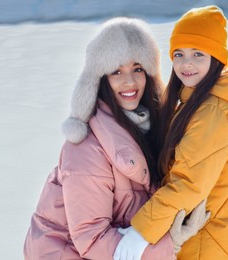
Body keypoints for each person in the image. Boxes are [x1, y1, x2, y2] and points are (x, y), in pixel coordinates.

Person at [23, 17, 210, 260]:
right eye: (116, 71)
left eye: (137, 69)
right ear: (100, 79)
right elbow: (91, 239)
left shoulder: (151, 128)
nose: (129, 81)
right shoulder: (86, 148)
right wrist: (169, 243)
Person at [114, 5, 228, 260]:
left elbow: (188, 184)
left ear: (216, 59)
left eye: (198, 54)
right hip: (215, 235)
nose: (186, 64)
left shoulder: (212, 112)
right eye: (179, 54)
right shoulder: (194, 101)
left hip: (211, 242)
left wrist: (140, 233)